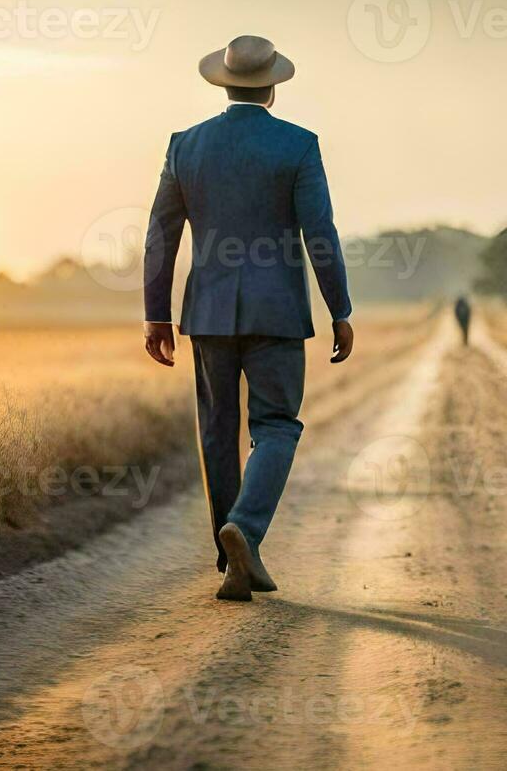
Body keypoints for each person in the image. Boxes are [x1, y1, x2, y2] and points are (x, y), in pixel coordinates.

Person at [141, 35, 353, 602]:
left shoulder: (185, 146)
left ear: (223, 82)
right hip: (278, 312)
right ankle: (247, 530)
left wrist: (155, 316)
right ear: (274, 87)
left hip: (207, 312)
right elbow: (321, 235)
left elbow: (161, 235)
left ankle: (231, 552)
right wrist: (341, 309)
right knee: (277, 427)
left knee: (216, 431)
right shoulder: (298, 145)